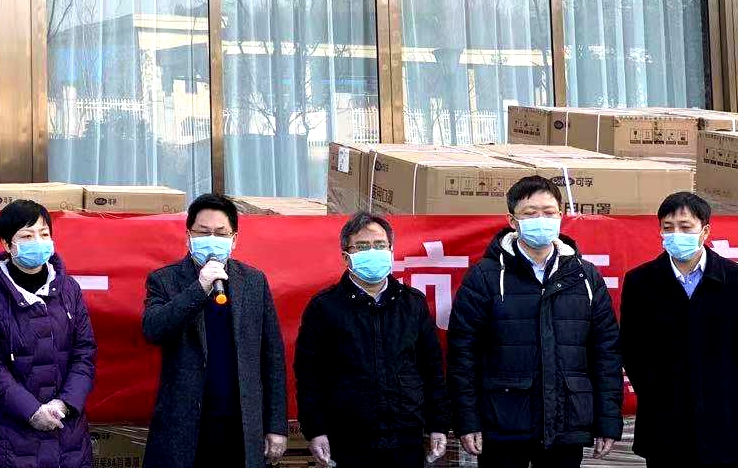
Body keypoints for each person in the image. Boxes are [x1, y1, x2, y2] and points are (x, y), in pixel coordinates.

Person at [448, 175, 622, 468]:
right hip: (502, 423)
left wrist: (608, 420)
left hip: (566, 425)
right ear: (512, 220)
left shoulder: (585, 276)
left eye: (549, 212)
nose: (541, 220)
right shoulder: (485, 276)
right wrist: (467, 420)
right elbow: (463, 354)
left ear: (561, 215)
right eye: (530, 213)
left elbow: (606, 353)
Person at [140, 192, 287, 467]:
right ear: (188, 236)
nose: (212, 238)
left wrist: (276, 424)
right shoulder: (164, 280)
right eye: (203, 232)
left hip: (241, 424)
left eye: (221, 233)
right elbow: (153, 329)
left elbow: (272, 358)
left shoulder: (253, 281)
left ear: (234, 239)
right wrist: (199, 288)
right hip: (185, 426)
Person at [295, 212, 448, 467]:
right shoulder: (324, 307)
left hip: (405, 436)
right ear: (346, 256)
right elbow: (309, 375)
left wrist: (438, 424)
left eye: (380, 245)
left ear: (391, 251)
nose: (373, 252)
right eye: (363, 246)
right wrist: (316, 429)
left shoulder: (413, 303)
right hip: (348, 438)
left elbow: (432, 370)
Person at [0, 199, 97, 467]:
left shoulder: (69, 289)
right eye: (27, 236)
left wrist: (64, 404)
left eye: (44, 234)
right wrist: (32, 411)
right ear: (7, 244)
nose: (38, 241)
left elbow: (84, 353)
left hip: (68, 435)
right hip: (9, 436)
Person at [620, 190, 737, 468]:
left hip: (724, 416)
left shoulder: (733, 280)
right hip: (665, 417)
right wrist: (656, 391)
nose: (676, 234)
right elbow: (632, 348)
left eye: (685, 227)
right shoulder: (641, 282)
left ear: (705, 231)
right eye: (668, 227)